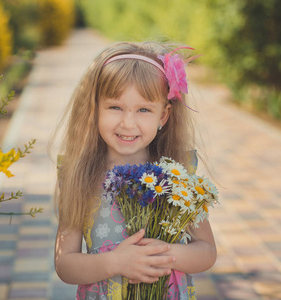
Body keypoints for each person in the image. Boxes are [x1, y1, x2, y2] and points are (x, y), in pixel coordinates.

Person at [53, 41, 216, 299]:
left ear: (163, 116)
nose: (128, 123)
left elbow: (206, 251)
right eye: (115, 107)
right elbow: (65, 264)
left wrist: (165, 255)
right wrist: (115, 263)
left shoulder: (176, 176)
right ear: (94, 109)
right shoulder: (81, 175)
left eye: (143, 110)